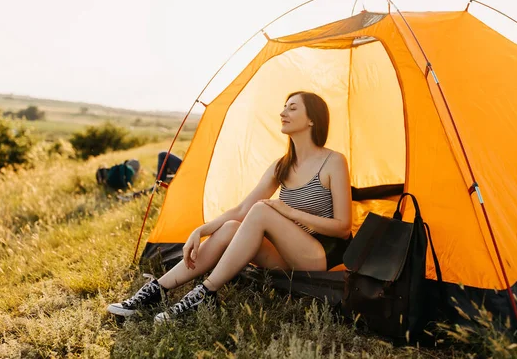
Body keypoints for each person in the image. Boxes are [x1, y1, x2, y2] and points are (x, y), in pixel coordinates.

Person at [107, 91, 353, 324]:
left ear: (312, 119)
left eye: (292, 107)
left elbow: (343, 228)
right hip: (286, 256)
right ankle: (157, 290)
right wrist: (200, 230)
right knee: (233, 226)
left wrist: (288, 212)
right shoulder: (283, 165)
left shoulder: (333, 161)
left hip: (318, 256)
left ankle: (206, 293)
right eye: (283, 107)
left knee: (262, 210)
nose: (283, 112)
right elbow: (242, 209)